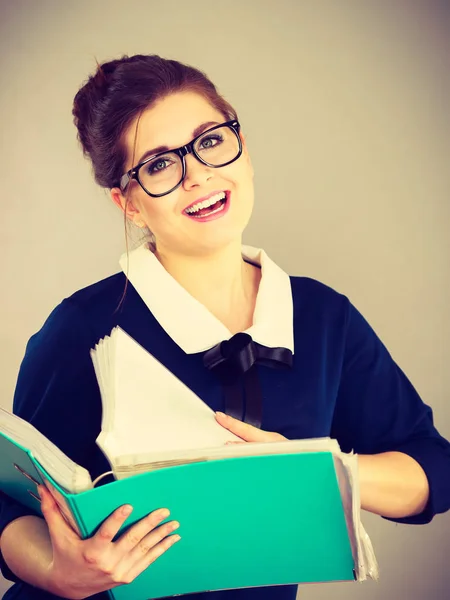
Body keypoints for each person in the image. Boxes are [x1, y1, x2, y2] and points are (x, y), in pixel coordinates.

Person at [1, 53, 449, 600]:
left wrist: (320, 472)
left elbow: (432, 466)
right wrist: (55, 572)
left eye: (210, 140)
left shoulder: (322, 317)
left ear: (242, 147)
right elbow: (6, 503)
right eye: (160, 165)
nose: (200, 175)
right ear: (129, 204)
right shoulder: (81, 328)